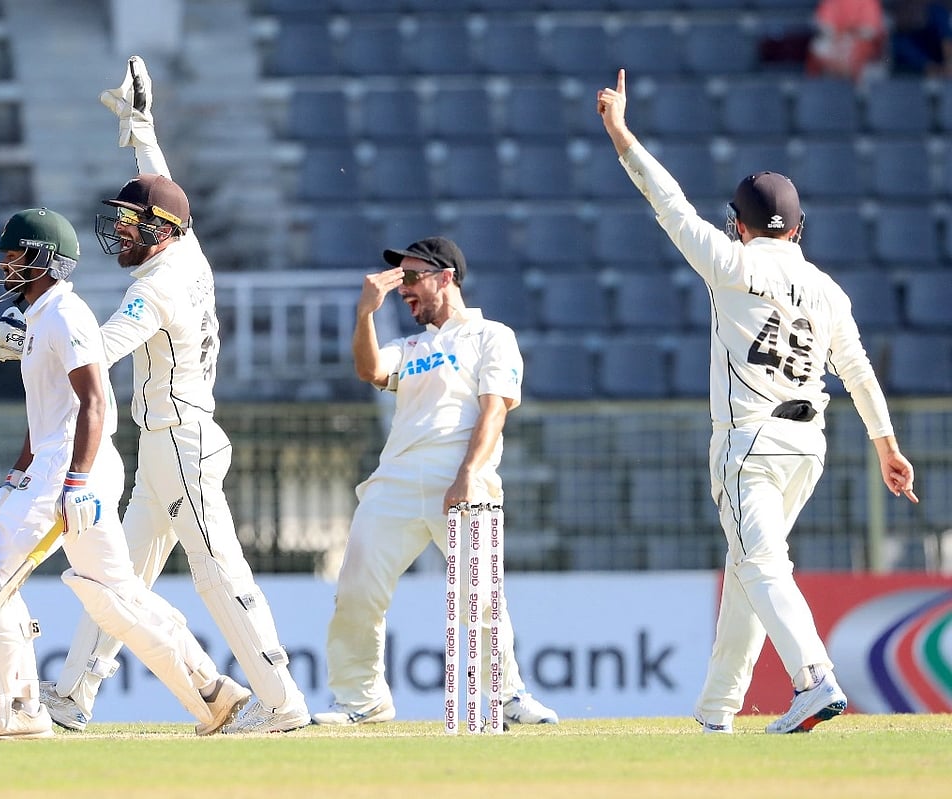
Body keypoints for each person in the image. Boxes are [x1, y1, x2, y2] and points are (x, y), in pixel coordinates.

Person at [0, 57, 311, 734]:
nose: (122, 231)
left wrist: (27, 340)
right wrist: (141, 127)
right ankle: (73, 694)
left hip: (183, 443)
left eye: (134, 224)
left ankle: (281, 702)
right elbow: (165, 190)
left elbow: (95, 356)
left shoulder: (153, 288)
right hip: (165, 443)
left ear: (160, 231)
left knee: (218, 573)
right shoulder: (186, 247)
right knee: (116, 583)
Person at [596, 69, 919, 735]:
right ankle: (717, 712)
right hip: (810, 446)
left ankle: (814, 679)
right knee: (748, 569)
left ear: (737, 225)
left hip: (749, 443)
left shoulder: (731, 263)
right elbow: (855, 369)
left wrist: (622, 133)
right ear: (798, 229)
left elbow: (670, 205)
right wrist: (887, 445)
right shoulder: (827, 289)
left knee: (761, 565)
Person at [0, 206, 250, 740]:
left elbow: (94, 401)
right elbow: (45, 414)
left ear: (44, 260)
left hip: (73, 467)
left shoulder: (66, 316)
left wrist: (74, 481)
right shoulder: (42, 316)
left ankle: (19, 710)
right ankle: (211, 692)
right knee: (115, 596)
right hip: (59, 464)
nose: (4, 266)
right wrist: (15, 475)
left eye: (15, 255)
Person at [310, 236, 559, 728]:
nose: (403, 288)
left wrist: (468, 475)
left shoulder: (492, 335)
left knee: (482, 595)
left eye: (411, 277)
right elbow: (369, 369)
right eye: (398, 279)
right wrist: (364, 314)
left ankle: (505, 697)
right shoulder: (410, 345)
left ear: (446, 277)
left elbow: (494, 410)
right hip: (396, 478)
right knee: (356, 590)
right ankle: (362, 701)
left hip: (463, 474)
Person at [806, 0, 886, 80]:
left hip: (861, 42)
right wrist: (837, 37)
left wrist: (850, 35)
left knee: (860, 50)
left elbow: (870, 29)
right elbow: (824, 23)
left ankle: (854, 85)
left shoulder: (870, 2)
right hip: (836, 39)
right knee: (817, 48)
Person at [888, 0, 952, 76]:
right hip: (915, 82)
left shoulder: (937, 13)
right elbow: (930, 69)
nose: (911, 8)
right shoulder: (899, 42)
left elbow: (947, 41)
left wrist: (949, 62)